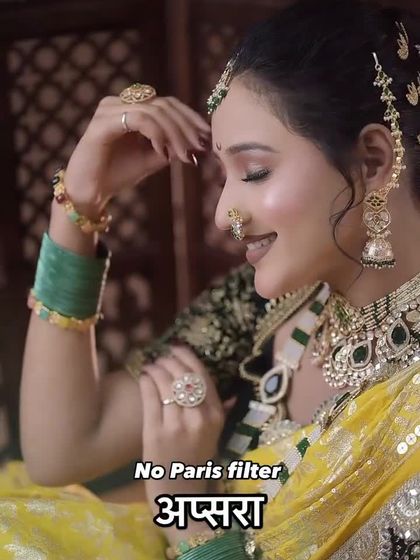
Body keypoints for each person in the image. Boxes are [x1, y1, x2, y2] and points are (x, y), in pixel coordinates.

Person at [1, 0, 419, 557]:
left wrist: (185, 506)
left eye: (255, 172)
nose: (224, 214)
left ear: (372, 161)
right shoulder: (284, 304)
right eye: (226, 176)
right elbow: (64, 450)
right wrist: (79, 206)